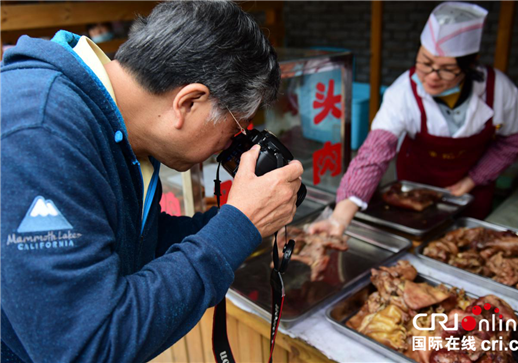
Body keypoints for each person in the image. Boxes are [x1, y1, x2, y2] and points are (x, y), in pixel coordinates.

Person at [1, 1, 303, 362]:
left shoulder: (117, 127)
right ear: (189, 102)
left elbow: (128, 242)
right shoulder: (39, 132)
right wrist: (237, 227)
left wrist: (245, 218)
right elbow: (88, 346)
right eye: (236, 127)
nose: (232, 144)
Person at [310, 2, 518, 236]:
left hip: (471, 194)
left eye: (446, 69)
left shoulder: (499, 90)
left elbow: (515, 140)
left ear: (471, 64)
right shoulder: (404, 91)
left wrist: (474, 179)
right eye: (425, 63)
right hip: (412, 194)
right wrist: (339, 217)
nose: (431, 77)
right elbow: (374, 153)